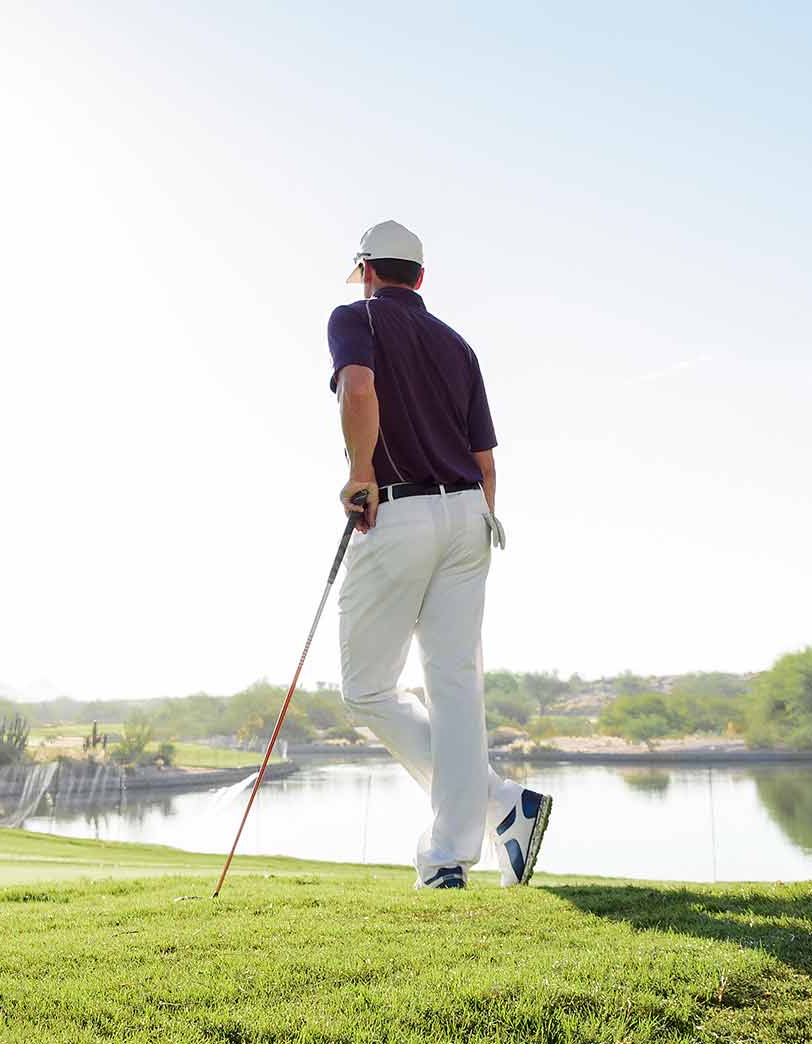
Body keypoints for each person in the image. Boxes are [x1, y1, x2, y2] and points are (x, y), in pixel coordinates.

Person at [327, 219, 553, 890]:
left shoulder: (354, 317)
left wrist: (360, 474)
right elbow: (486, 461)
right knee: (455, 687)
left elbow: (358, 388)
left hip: (400, 512)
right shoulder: (458, 345)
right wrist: (475, 520)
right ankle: (456, 849)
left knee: (367, 689)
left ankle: (492, 806)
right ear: (420, 276)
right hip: (472, 515)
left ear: (368, 271)